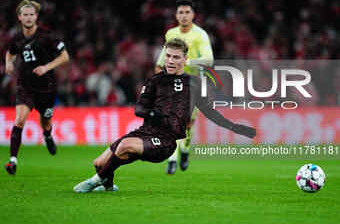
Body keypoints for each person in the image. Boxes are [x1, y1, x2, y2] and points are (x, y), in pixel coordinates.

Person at [73, 38, 255, 193]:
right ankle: (108, 186)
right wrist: (155, 114)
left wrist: (236, 127)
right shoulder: (155, 80)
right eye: (168, 56)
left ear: (185, 59)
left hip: (166, 141)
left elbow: (210, 112)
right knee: (99, 163)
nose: (170, 60)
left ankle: (94, 182)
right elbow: (140, 109)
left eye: (176, 57)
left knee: (124, 147)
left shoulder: (195, 84)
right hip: (145, 132)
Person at [4, 0, 70, 175]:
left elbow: (65, 56)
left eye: (31, 14)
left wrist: (46, 67)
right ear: (20, 17)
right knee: (19, 120)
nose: (28, 17)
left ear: (36, 17)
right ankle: (12, 161)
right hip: (25, 86)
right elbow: (9, 53)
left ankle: (47, 135)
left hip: (46, 88)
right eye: (25, 15)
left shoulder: (46, 36)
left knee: (46, 122)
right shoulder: (16, 39)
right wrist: (8, 64)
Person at [155, 0, 214, 175]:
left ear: (193, 15)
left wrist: (188, 61)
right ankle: (172, 159)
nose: (184, 15)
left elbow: (209, 60)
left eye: (187, 12)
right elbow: (161, 60)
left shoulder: (200, 35)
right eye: (180, 12)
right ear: (176, 15)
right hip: (174, 82)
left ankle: (185, 150)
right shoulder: (171, 33)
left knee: (188, 124)